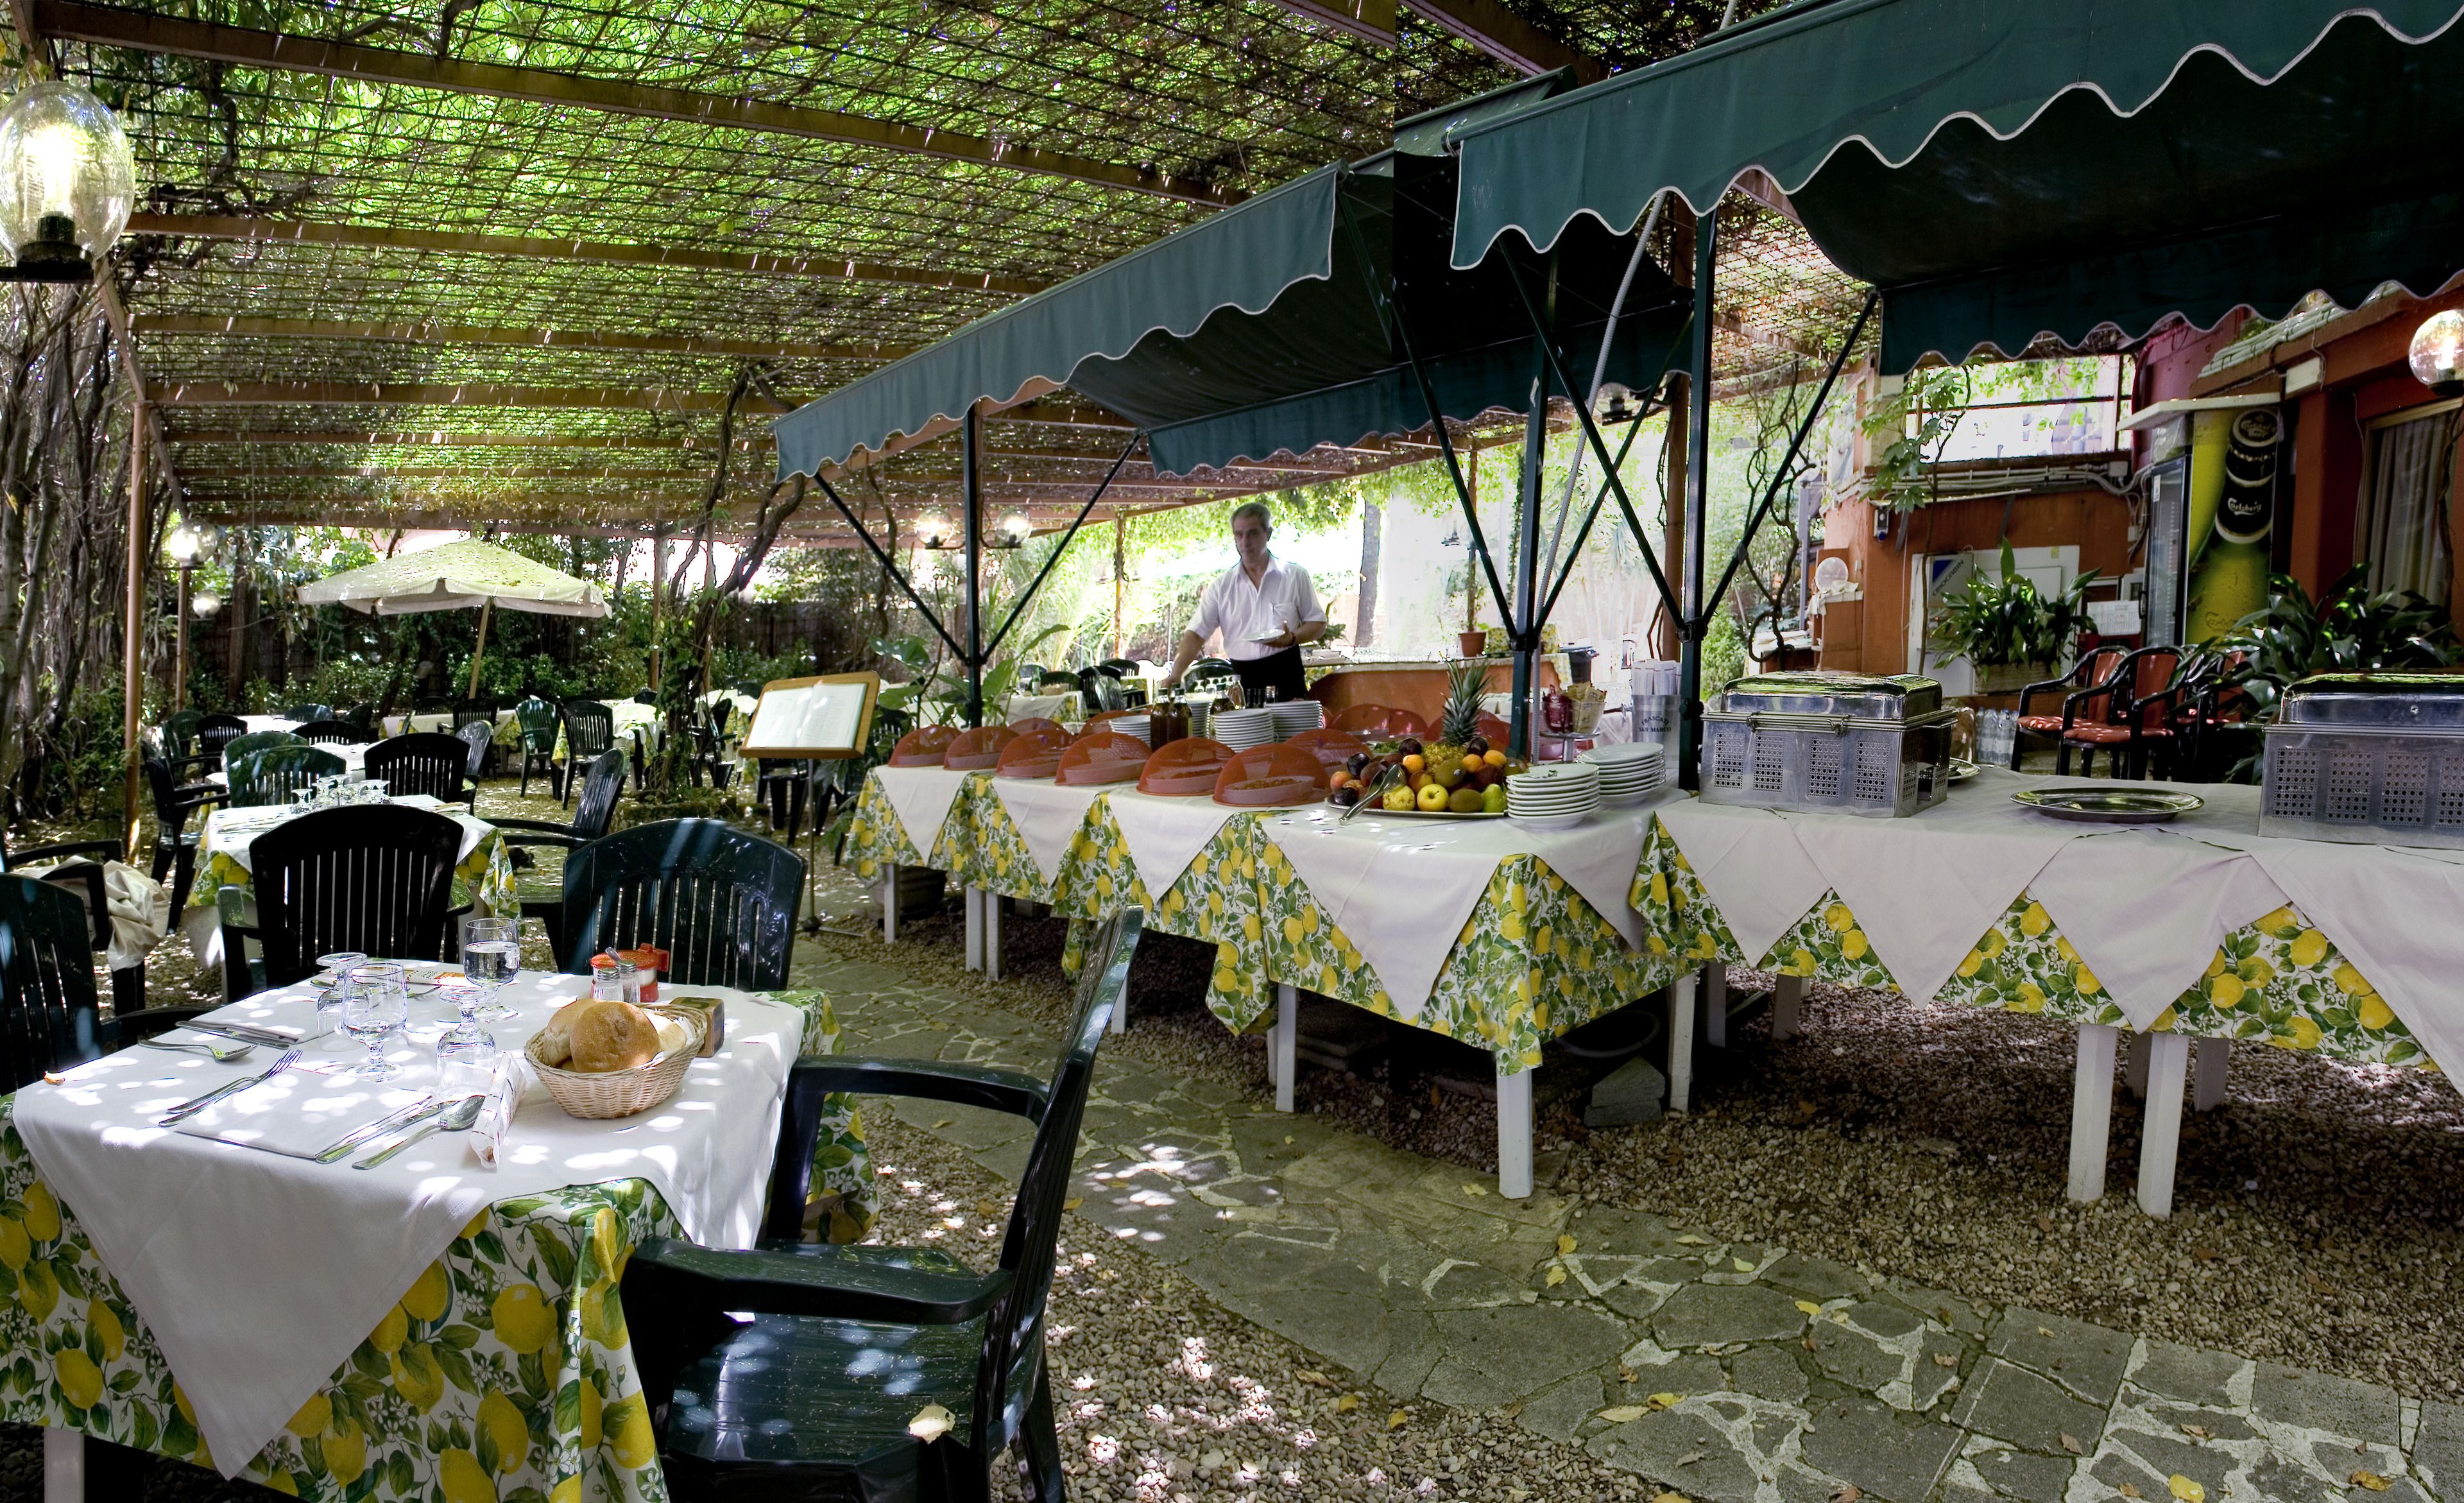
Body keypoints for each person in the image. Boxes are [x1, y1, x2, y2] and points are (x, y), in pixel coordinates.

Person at [1163, 500, 1325, 703]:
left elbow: (1318, 623)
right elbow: (1196, 633)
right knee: (1248, 735)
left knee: (1296, 736)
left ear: (1268, 534)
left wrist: (1293, 638)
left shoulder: (1295, 576)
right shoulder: (1222, 587)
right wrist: (1176, 673)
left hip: (1287, 674)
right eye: (1239, 535)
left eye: (1252, 533)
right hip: (1243, 679)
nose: (1245, 541)